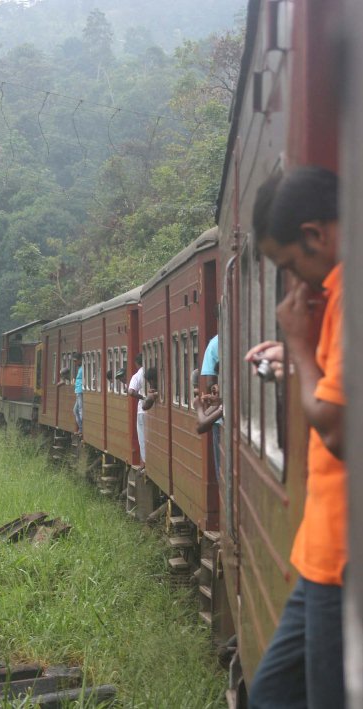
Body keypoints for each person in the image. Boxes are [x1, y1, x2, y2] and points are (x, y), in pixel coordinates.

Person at [244, 166, 345, 709]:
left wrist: (300, 346)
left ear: (314, 234)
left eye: (290, 266)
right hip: (322, 553)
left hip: (343, 556)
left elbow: (338, 428)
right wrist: (299, 359)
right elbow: (335, 386)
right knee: (273, 694)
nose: (298, 282)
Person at [200, 334, 221, 480]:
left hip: (221, 423)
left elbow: (209, 382)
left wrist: (199, 406)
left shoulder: (215, 343)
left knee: (222, 472)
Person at [128, 354, 148, 471]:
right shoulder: (149, 372)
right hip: (151, 410)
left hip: (142, 411)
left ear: (137, 363)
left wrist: (142, 397)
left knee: (142, 437)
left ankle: (144, 462)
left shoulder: (137, 375)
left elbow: (131, 391)